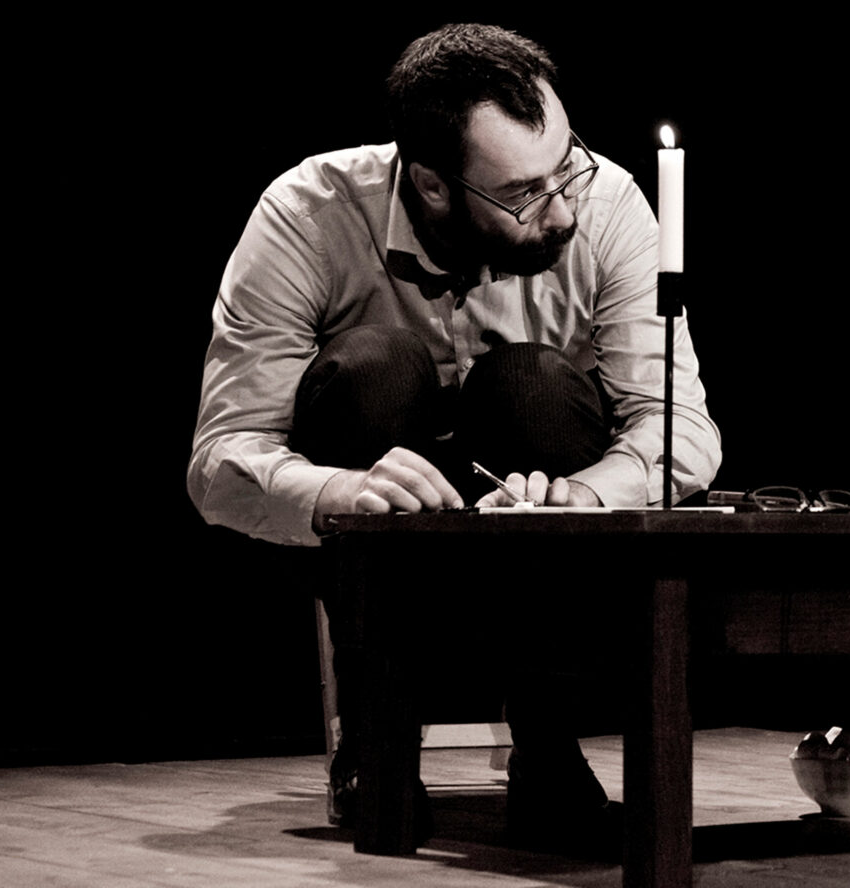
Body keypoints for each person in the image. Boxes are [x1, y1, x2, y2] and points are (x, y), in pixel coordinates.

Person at [187, 23, 721, 852]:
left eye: (567, 165)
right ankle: (377, 740)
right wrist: (342, 493)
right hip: (375, 496)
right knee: (374, 364)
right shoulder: (308, 212)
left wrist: (587, 493)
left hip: (531, 491)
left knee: (533, 380)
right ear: (433, 188)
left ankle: (549, 746)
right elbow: (222, 460)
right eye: (525, 194)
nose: (566, 206)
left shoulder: (607, 204)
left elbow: (679, 426)